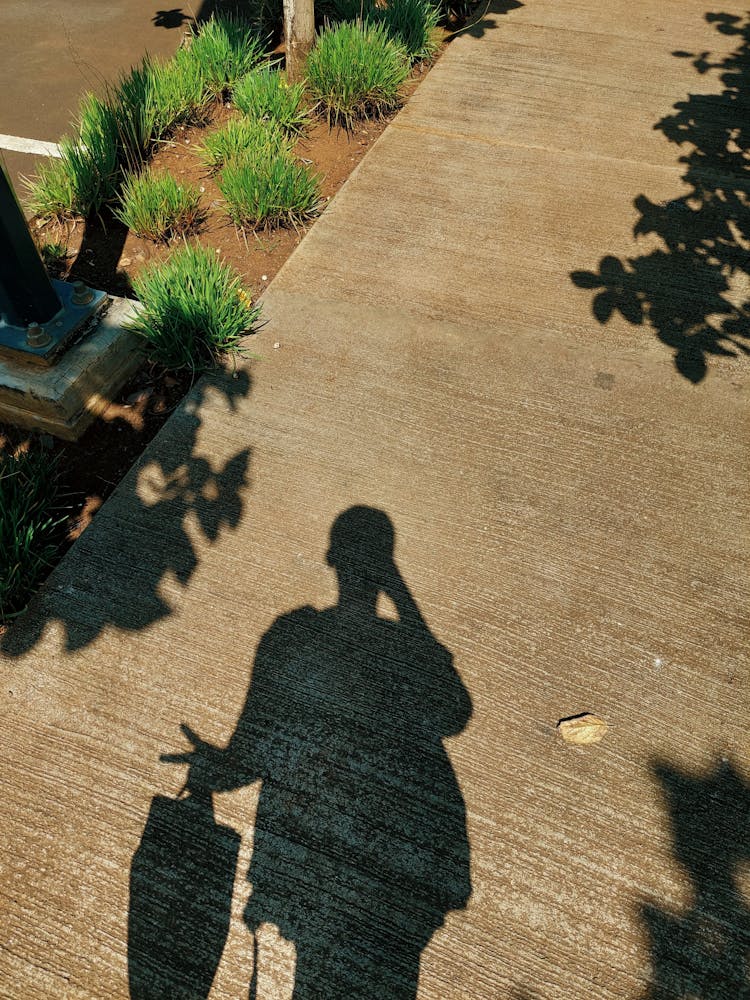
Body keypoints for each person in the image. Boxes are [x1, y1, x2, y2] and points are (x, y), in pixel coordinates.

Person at [167, 506, 472, 998]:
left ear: (330, 557)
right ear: (386, 565)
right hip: (393, 853)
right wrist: (400, 595)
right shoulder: (402, 644)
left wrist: (211, 771)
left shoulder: (290, 636)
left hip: (307, 862)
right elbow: (454, 713)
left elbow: (252, 750)